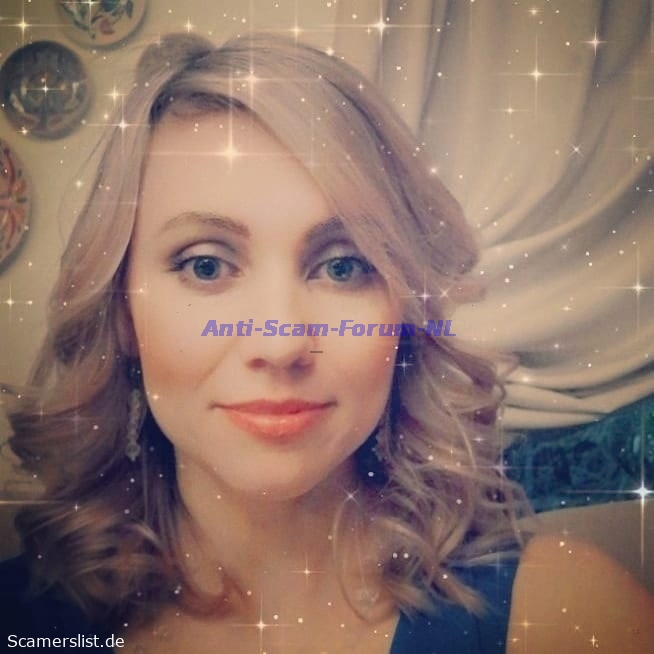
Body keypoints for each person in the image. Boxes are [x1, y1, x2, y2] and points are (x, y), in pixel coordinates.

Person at [1, 32, 652, 654]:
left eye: (343, 266)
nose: (282, 342)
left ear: (405, 312)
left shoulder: (568, 615)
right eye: (206, 265)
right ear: (122, 313)